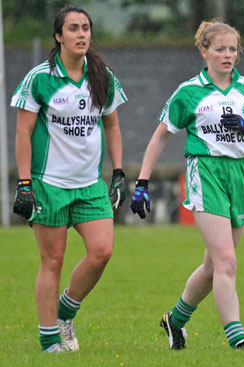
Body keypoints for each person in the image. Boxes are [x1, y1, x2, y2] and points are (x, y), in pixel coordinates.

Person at [130, 20, 244, 351]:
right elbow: (159, 137)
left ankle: (175, 320)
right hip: (205, 173)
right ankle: (237, 339)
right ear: (204, 52)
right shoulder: (189, 91)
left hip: (240, 175)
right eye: (220, 49)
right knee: (227, 262)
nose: (227, 55)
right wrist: (142, 182)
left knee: (213, 267)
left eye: (233, 49)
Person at [11, 5, 127, 353]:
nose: (81, 34)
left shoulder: (102, 74)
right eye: (73, 28)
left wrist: (118, 173)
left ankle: (65, 312)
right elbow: (22, 133)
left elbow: (112, 125)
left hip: (90, 185)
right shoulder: (40, 77)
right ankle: (49, 342)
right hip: (49, 185)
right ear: (58, 36)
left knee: (102, 251)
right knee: (54, 260)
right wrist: (25, 183)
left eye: (86, 28)